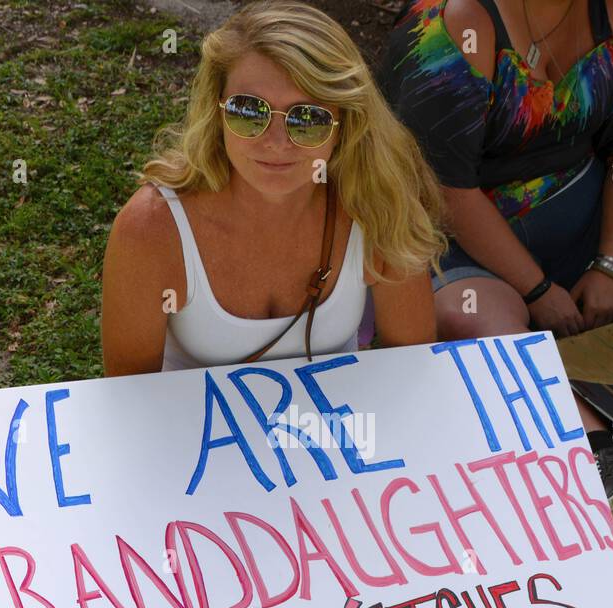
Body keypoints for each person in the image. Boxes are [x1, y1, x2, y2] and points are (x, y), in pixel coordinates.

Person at [378, 0, 613, 539]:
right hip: (455, 232)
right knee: (472, 321)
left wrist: (610, 266)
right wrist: (538, 288)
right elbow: (447, 191)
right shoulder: (454, 26)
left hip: (576, 200)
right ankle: (599, 445)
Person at [100, 1, 446, 376]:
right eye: (249, 110)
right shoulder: (152, 228)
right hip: (189, 434)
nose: (277, 143)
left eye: (307, 117)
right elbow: (130, 399)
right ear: (216, 112)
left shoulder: (377, 201)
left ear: (345, 122)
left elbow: (413, 370)